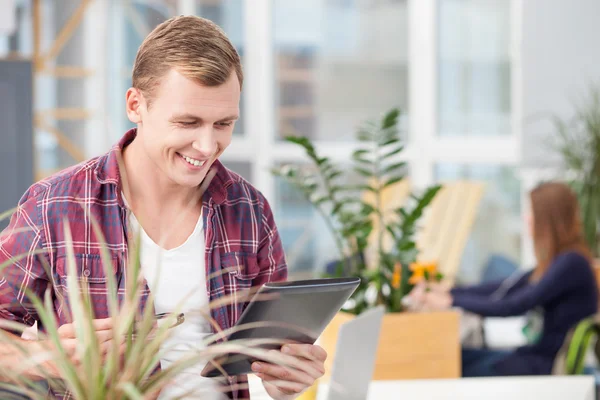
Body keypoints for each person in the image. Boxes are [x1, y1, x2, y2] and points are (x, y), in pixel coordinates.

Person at [0, 16, 326, 399]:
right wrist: (47, 357)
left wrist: (289, 373)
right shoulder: (55, 205)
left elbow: (274, 346)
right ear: (136, 104)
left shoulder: (249, 209)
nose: (207, 146)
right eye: (188, 122)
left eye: (223, 123)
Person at [408, 182, 598, 377]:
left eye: (532, 213)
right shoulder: (559, 261)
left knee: (448, 366)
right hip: (533, 357)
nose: (527, 219)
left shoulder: (571, 263)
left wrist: (451, 301)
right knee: (458, 357)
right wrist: (449, 292)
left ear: (549, 220)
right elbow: (503, 287)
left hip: (544, 365)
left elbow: (514, 305)